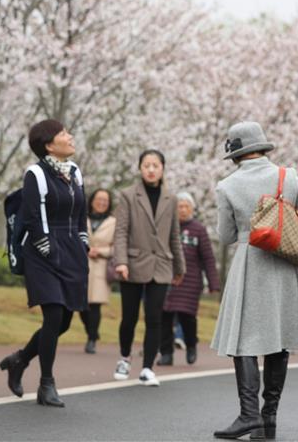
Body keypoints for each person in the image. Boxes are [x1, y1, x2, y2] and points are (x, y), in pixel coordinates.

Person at [211, 121, 298, 440]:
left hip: (250, 263)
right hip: (287, 263)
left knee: (242, 339)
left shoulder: (227, 186)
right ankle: (268, 415)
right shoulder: (289, 176)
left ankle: (248, 414)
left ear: (235, 152)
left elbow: (226, 236)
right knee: (279, 339)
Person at [0, 120, 88, 407]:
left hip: (72, 249)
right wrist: (48, 249)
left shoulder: (74, 172)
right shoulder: (35, 174)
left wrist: (83, 240)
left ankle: (20, 359)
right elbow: (35, 217)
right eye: (63, 134)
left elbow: (80, 212)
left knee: (63, 322)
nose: (70, 137)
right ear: (49, 144)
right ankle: (46, 384)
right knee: (53, 315)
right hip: (43, 251)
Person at [112, 149, 185, 386]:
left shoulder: (170, 198)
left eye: (155, 165)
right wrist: (120, 261)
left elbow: (174, 235)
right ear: (140, 168)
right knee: (129, 317)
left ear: (162, 168)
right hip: (132, 263)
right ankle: (124, 358)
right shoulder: (128, 195)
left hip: (161, 265)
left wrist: (179, 267)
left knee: (155, 318)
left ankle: (147, 368)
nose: (151, 169)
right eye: (146, 165)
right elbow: (121, 230)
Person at [157, 192, 221, 366]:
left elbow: (208, 257)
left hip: (191, 281)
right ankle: (166, 353)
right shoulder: (166, 227)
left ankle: (191, 345)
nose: (183, 210)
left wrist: (213, 283)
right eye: (179, 207)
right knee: (165, 316)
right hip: (167, 278)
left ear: (192, 209)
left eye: (186, 207)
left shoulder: (198, 230)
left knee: (187, 317)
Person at [80, 189, 116, 354]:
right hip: (82, 265)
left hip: (101, 266)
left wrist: (100, 251)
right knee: (81, 305)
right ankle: (92, 332)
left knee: (94, 305)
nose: (102, 203)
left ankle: (92, 339)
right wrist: (86, 249)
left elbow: (117, 246)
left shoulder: (113, 222)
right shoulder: (81, 218)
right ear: (92, 200)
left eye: (105, 200)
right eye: (99, 199)